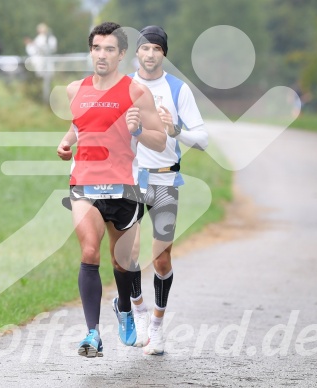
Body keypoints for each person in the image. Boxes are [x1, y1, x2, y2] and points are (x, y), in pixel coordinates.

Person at [56, 22, 166, 358]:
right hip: (84, 182)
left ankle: (124, 308)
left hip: (124, 187)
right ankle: (91, 334)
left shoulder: (136, 92)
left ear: (120, 55)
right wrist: (65, 142)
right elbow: (80, 123)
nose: (101, 55)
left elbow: (159, 139)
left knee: (124, 261)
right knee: (89, 252)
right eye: (96, 48)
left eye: (109, 49)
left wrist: (136, 132)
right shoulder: (76, 89)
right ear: (91, 51)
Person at [126, 25, 209, 355]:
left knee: (161, 258)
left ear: (163, 54)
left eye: (156, 49)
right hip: (130, 180)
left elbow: (202, 139)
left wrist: (176, 130)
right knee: (127, 255)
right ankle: (140, 314)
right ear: (137, 53)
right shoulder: (123, 87)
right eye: (144, 49)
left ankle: (158, 327)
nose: (149, 54)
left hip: (164, 181)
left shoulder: (177, 90)